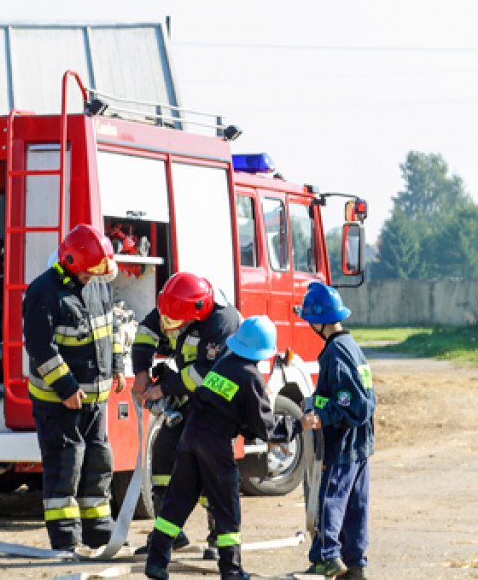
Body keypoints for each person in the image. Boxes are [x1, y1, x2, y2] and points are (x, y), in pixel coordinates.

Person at [144, 315, 309, 580]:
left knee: (177, 500)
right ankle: (231, 571)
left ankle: (156, 562)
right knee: (226, 505)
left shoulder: (223, 364)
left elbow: (235, 412)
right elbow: (265, 426)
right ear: (263, 350)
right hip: (216, 443)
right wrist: (300, 424)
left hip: (191, 435)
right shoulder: (251, 375)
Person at [22, 223, 128, 551]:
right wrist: (66, 388)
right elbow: (41, 349)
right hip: (58, 402)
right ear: (70, 262)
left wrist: (118, 366)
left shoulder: (97, 284)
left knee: (98, 466)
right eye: (86, 273)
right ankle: (66, 542)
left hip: (95, 401)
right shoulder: (43, 292)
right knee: (65, 468)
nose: (90, 279)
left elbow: (112, 327)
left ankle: (100, 534)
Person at [130, 272, 242, 557]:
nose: (169, 325)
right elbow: (147, 330)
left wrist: (162, 389)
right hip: (183, 401)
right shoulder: (178, 303)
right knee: (164, 459)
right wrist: (142, 371)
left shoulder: (223, 321)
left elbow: (205, 373)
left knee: (212, 473)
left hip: (215, 408)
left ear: (197, 312)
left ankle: (219, 539)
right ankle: (168, 534)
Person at [298, 282, 376, 580]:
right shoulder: (351, 345)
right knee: (356, 502)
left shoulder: (336, 352)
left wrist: (323, 415)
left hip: (343, 440)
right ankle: (355, 563)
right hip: (360, 441)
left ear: (319, 320)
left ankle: (326, 557)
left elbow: (349, 401)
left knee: (330, 496)